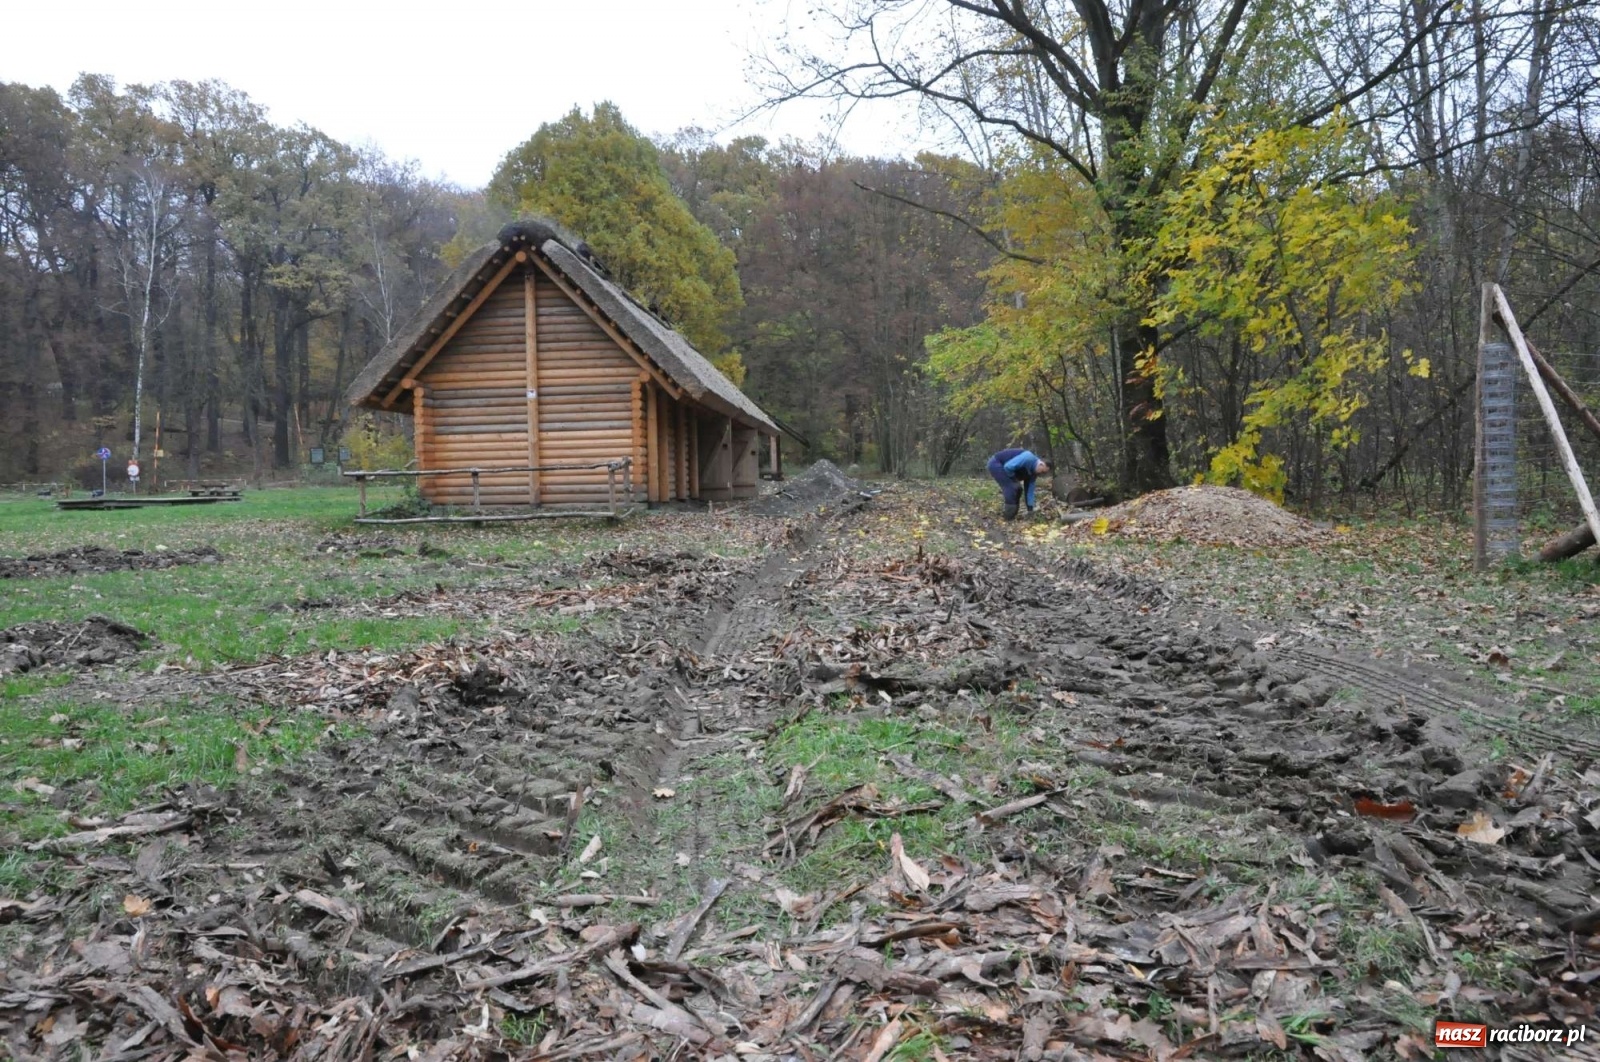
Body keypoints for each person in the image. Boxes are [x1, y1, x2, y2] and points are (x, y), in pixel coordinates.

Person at [987, 448, 1049, 520]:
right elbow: (1008, 467)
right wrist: (1014, 480)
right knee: (1012, 488)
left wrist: (1030, 509)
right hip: (996, 463)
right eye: (1042, 472)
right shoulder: (1028, 457)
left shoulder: (1034, 474)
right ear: (1041, 464)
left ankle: (1013, 515)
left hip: (1008, 469)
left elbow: (1029, 491)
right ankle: (1008, 518)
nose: (1041, 474)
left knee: (1019, 489)